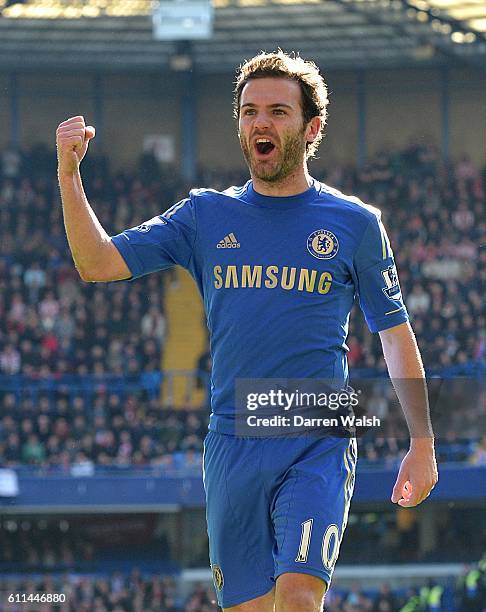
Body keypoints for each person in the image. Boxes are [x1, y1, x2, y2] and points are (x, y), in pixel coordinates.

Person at [56, 50, 438, 612]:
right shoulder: (205, 215)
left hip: (317, 433)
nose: (261, 122)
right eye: (249, 110)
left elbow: (395, 335)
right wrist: (69, 175)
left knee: (301, 597)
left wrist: (423, 442)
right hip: (233, 438)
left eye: (278, 112)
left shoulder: (355, 224)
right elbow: (97, 263)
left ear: (311, 128)